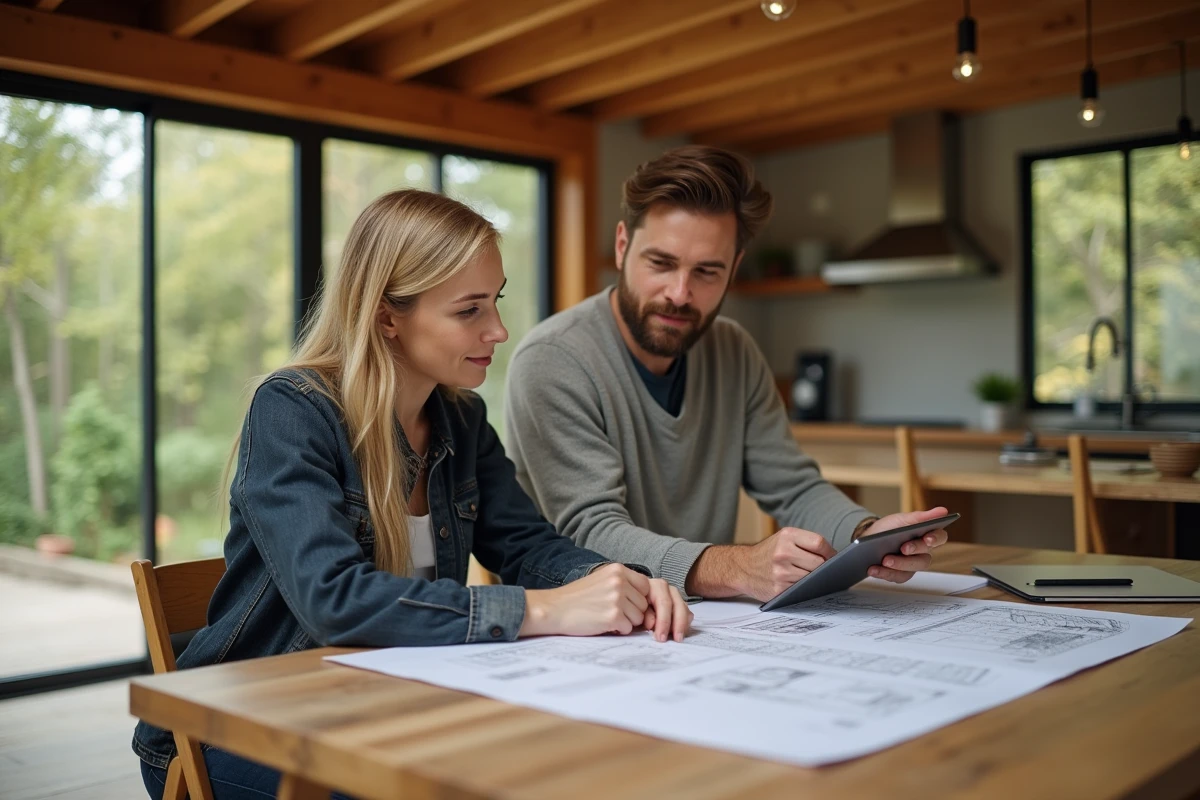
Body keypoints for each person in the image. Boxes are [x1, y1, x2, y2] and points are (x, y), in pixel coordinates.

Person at [134, 190, 690, 800]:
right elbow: (333, 600)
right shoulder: (293, 410)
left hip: (382, 709)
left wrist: (613, 582)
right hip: (237, 731)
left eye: (496, 301)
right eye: (469, 310)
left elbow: (527, 546)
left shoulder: (463, 420)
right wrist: (545, 610)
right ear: (386, 317)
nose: (499, 330)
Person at [505, 145, 949, 603]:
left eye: (707, 271)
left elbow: (793, 487)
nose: (680, 293)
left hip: (703, 621)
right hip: (576, 623)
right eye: (661, 263)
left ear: (734, 268)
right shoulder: (553, 359)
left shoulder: (734, 351)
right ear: (623, 246)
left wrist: (867, 534)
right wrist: (737, 568)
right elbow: (589, 532)